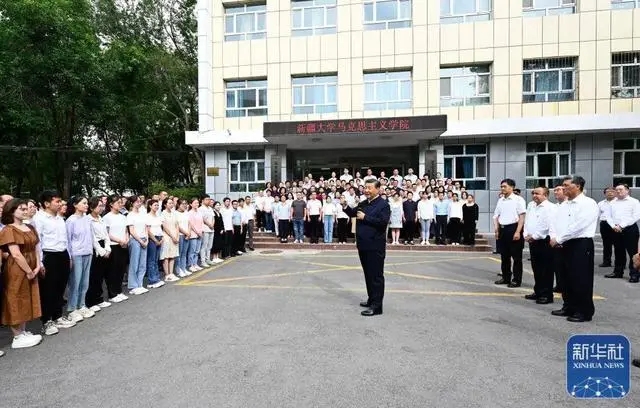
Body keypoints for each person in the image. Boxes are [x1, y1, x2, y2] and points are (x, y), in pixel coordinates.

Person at [550, 175, 599, 322]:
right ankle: (568, 306)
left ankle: (583, 311)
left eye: (566, 185)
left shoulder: (588, 203)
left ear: (577, 186)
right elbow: (555, 223)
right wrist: (555, 237)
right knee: (565, 277)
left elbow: (579, 226)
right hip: (563, 243)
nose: (563, 188)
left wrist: (559, 239)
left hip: (580, 244)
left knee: (580, 278)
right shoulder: (564, 205)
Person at [342, 179, 391, 317]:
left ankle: (377, 306)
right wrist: (345, 206)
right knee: (368, 274)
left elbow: (383, 223)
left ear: (378, 189)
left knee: (376, 276)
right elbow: (353, 213)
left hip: (375, 245)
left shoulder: (383, 205)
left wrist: (365, 217)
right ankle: (371, 299)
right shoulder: (363, 203)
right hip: (363, 245)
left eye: (369, 188)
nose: (366, 190)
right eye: (365, 188)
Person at [0, 199, 44, 349]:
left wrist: (37, 265)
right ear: (12, 211)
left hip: (32, 266)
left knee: (27, 297)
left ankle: (23, 331)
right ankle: (17, 336)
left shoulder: (30, 227)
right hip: (17, 269)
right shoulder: (8, 230)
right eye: (22, 209)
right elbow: (16, 254)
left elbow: (36, 247)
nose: (25, 211)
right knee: (15, 298)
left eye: (26, 209)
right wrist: (29, 271)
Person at [523, 187, 556, 304]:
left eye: (537, 193)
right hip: (532, 241)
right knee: (536, 268)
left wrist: (534, 236)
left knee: (546, 269)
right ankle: (538, 291)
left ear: (545, 195)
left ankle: (546, 294)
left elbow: (546, 225)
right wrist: (525, 234)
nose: (534, 195)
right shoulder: (531, 205)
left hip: (544, 241)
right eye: (533, 193)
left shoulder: (550, 207)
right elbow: (527, 221)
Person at [493, 179, 526, 288]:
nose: (502, 188)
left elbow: (522, 216)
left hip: (514, 228)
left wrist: (518, 231)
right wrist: (497, 229)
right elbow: (496, 215)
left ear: (512, 187)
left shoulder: (518, 199)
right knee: (504, 256)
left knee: (516, 257)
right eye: (501, 186)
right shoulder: (501, 200)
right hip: (503, 229)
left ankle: (516, 280)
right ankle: (506, 277)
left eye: (505, 186)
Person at [605, 183, 640, 283]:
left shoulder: (634, 202)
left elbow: (636, 216)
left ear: (627, 190)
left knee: (633, 252)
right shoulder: (612, 202)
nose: (618, 191)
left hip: (630, 229)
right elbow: (608, 216)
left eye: (621, 189)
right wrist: (613, 226)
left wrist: (621, 226)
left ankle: (634, 274)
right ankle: (618, 272)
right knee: (618, 251)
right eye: (616, 190)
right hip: (615, 229)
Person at [597, 187, 616, 267]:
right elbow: (598, 214)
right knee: (606, 244)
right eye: (608, 192)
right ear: (604, 194)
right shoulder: (601, 203)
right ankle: (606, 262)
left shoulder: (618, 202)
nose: (610, 193)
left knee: (618, 244)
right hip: (604, 224)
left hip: (615, 225)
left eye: (612, 191)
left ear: (615, 193)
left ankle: (619, 263)